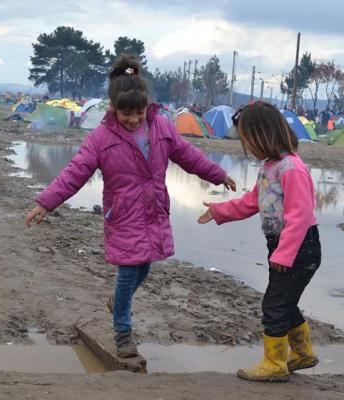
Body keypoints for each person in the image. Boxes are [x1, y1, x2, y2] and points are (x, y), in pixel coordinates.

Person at [25, 54, 236, 358]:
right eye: (127, 114)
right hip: (123, 214)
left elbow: (189, 156)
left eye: (139, 112)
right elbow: (75, 173)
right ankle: (123, 333)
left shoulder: (162, 127)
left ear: (146, 105)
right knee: (128, 272)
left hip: (153, 210)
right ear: (113, 108)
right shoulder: (101, 138)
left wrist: (218, 175)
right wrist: (45, 203)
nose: (134, 119)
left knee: (144, 268)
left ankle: (118, 302)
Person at [198, 101, 320, 383]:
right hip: (282, 247)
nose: (246, 147)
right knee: (284, 301)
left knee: (274, 305)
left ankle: (275, 362)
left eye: (247, 140)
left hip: (299, 248)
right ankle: (302, 353)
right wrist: (219, 211)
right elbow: (253, 202)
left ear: (264, 135)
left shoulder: (291, 168)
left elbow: (300, 216)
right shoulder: (270, 167)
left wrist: (284, 255)